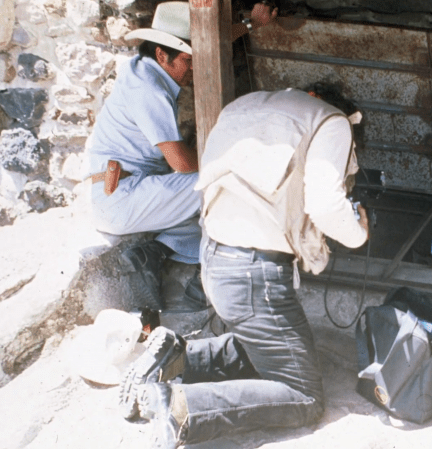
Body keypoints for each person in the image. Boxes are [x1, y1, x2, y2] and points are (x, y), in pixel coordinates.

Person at [118, 83, 369, 449]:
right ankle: (182, 407)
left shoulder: (246, 105)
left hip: (216, 258)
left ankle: (177, 356)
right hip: (256, 275)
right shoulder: (332, 123)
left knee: (277, 349)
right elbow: (327, 206)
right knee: (303, 396)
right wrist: (359, 232)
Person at [86, 1, 277, 310]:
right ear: (163, 55)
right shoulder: (149, 89)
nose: (194, 68)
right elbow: (182, 163)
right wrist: (231, 156)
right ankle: (209, 279)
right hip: (121, 199)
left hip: (128, 192)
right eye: (188, 61)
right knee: (223, 185)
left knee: (204, 214)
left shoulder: (146, 68)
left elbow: (207, 48)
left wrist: (251, 24)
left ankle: (154, 253)